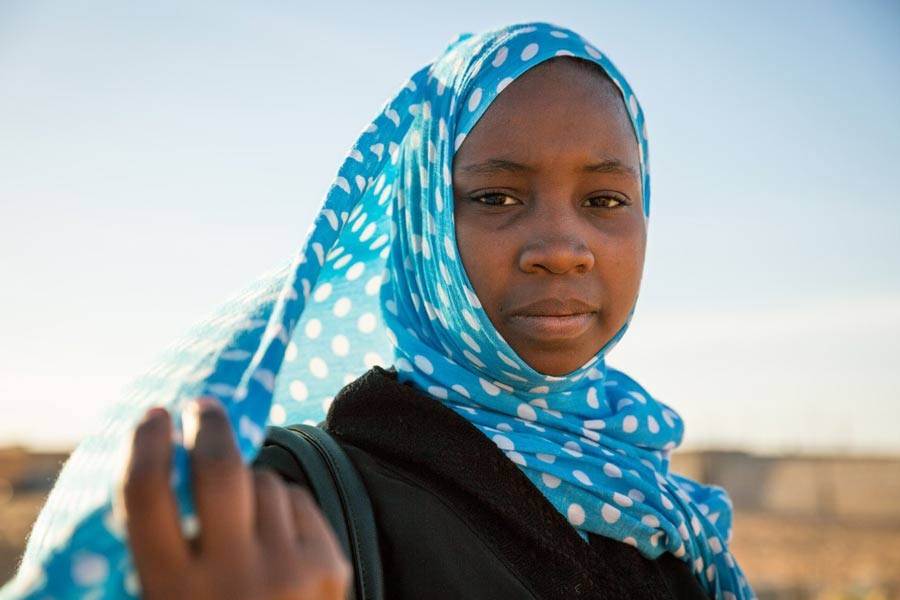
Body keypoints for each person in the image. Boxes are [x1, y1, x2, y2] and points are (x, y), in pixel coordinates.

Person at [9, 22, 755, 600]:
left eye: (605, 199)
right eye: (496, 196)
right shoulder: (286, 511)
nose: (562, 249)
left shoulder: (653, 492)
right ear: (421, 225)